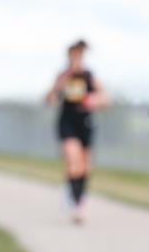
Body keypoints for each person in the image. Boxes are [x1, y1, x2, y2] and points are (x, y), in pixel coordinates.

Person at [45, 39, 109, 224]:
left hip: (85, 122)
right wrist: (60, 84)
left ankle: (79, 199)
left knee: (83, 166)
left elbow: (105, 98)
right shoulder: (63, 76)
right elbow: (48, 98)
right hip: (67, 122)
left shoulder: (89, 76)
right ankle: (75, 203)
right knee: (73, 161)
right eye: (73, 55)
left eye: (79, 56)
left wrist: (94, 100)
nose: (76, 59)